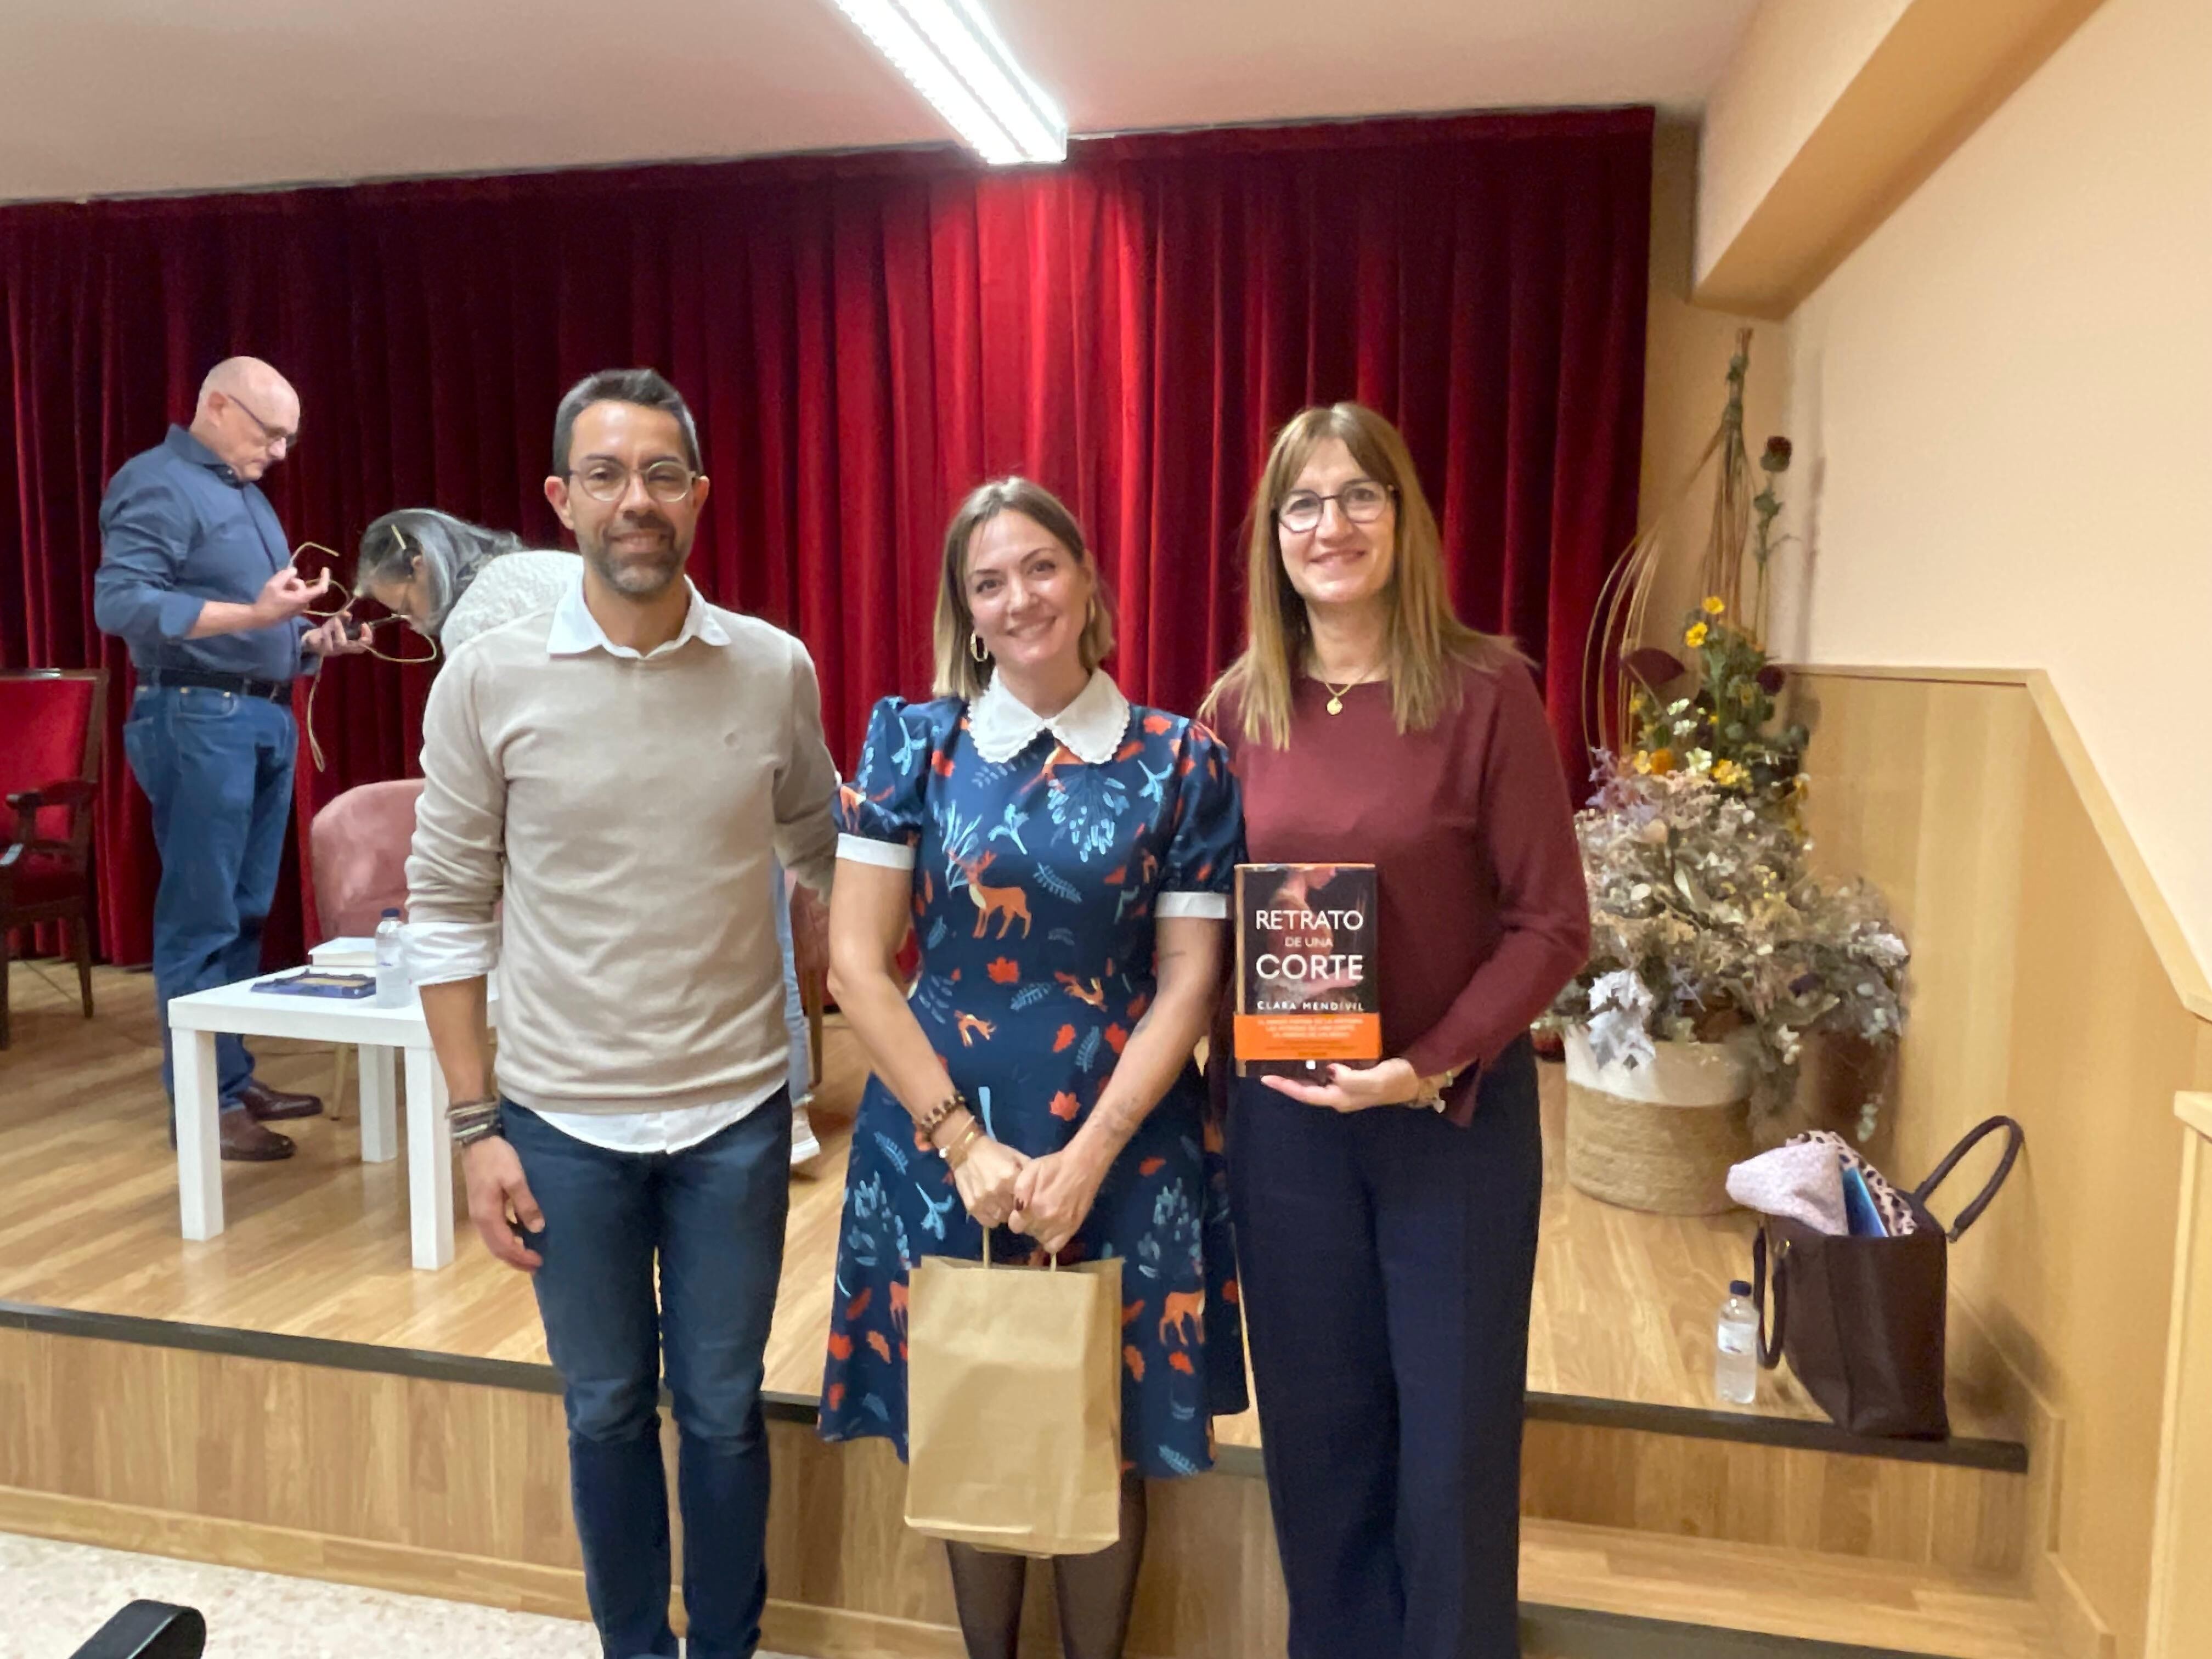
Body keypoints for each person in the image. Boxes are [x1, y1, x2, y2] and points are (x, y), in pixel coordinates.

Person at [404, 368, 838, 1659]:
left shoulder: (772, 671)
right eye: (605, 475)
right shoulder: (485, 682)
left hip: (733, 1124)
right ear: (560, 500)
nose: (633, 501)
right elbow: (446, 909)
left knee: (718, 1408)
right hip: (559, 1129)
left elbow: (832, 851)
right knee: (602, 1410)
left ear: (698, 496)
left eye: (660, 474)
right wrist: (478, 1128)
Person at [819, 478, 1246, 1659]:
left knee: (1107, 1427)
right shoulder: (915, 741)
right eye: (988, 581)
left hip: (1124, 1140)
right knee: (978, 1413)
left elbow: (1191, 981)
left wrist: (1088, 1155)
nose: (1020, 599)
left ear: (1090, 581)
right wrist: (964, 1144)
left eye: (1042, 568)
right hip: (940, 1138)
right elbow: (856, 963)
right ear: (965, 610)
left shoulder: (1181, 760)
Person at [1200, 403, 1590, 1659]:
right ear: (1273, 536)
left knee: (1453, 1460)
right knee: (1321, 1454)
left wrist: (1427, 1065)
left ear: (1405, 518)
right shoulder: (1233, 709)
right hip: (1289, 1140)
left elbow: (1551, 924)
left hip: (1451, 1132)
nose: (1332, 525)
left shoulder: (1486, 691)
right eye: (1303, 504)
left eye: (1360, 495)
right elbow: (1202, 937)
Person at [351, 509, 821, 1161]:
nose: (405, 622)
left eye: (398, 604)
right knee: (763, 944)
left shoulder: (473, 630)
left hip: (619, 835)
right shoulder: (538, 568)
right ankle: (794, 1113)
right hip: (721, 782)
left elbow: (496, 786)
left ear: (421, 565)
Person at [93, 356, 368, 1162]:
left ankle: (232, 1072)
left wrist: (309, 641)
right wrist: (255, 611)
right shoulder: (156, 482)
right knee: (202, 914)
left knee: (246, 910)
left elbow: (253, 625)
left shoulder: (241, 494)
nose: (282, 451)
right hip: (196, 717)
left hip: (255, 715)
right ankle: (203, 1104)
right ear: (217, 405)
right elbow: (122, 602)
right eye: (270, 432)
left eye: (289, 437)